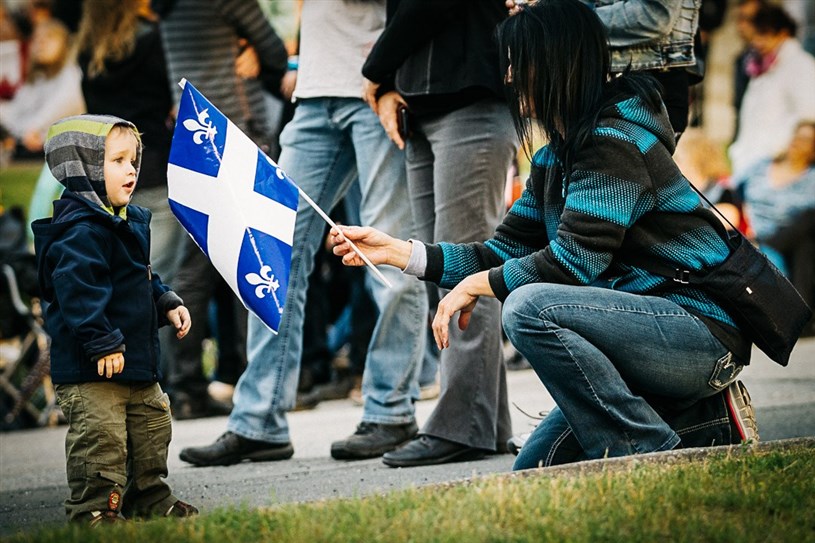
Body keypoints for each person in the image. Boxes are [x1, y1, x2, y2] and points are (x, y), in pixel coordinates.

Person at [332, 0, 758, 470]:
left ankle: (650, 452)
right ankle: (706, 421)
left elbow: (574, 262)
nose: (509, 77)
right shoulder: (555, 156)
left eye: (520, 62)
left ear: (558, 61)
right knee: (534, 469)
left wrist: (478, 285)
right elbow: (500, 251)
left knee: (528, 307)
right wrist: (400, 253)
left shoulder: (615, 141)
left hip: (698, 335)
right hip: (641, 337)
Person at [178, 0, 427, 467]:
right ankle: (258, 421)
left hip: (376, 86)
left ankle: (391, 410)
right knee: (269, 252)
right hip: (312, 94)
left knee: (388, 252)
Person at [361, 0, 517, 468]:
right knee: (443, 274)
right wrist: (390, 81)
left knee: (467, 275)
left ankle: (460, 426)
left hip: (471, 99)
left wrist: (375, 71)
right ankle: (485, 426)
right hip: (422, 106)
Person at [31, 114, 198, 524]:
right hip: (94, 368)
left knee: (151, 431)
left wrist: (165, 301)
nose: (132, 170)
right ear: (83, 169)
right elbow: (77, 292)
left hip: (136, 360)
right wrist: (102, 340)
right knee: (101, 441)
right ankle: (94, 509)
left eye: (133, 160)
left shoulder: (125, 220)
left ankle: (149, 498)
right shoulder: (78, 232)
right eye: (118, 161)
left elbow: (140, 277)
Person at [154, 0, 289, 418]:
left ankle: (186, 384)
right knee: (250, 259)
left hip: (197, 141)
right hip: (236, 136)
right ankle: (253, 384)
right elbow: (276, 53)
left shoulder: (167, 7)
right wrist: (252, 49)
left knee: (197, 263)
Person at [733, 121, 815, 312]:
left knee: (807, 230)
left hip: (787, 236)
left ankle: (797, 311)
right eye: (797, 136)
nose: (797, 142)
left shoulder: (811, 178)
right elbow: (732, 189)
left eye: (806, 139)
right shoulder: (762, 166)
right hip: (749, 227)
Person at [729, 4, 815, 178]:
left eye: (765, 34)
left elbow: (808, 116)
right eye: (756, 35)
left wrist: (779, 153)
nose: (757, 42)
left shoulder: (801, 65)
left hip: (776, 168)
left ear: (783, 33)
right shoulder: (760, 67)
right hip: (749, 166)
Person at [0, 18, 84, 159]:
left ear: (64, 44)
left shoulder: (71, 75)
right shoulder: (37, 79)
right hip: (29, 143)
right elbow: (15, 114)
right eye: (37, 38)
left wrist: (30, 130)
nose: (41, 43)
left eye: (49, 37)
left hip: (63, 153)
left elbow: (56, 109)